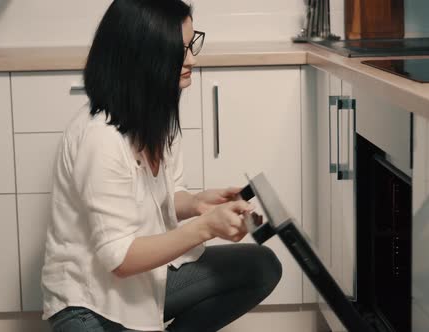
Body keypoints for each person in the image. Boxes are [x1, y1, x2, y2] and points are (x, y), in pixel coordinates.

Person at [40, 0, 282, 331]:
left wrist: (197, 204)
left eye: (191, 45)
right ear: (144, 55)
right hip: (89, 304)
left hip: (141, 281)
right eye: (179, 50)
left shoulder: (157, 117)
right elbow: (121, 259)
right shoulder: (101, 138)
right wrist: (205, 227)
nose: (192, 59)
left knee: (262, 267)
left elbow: (161, 196)